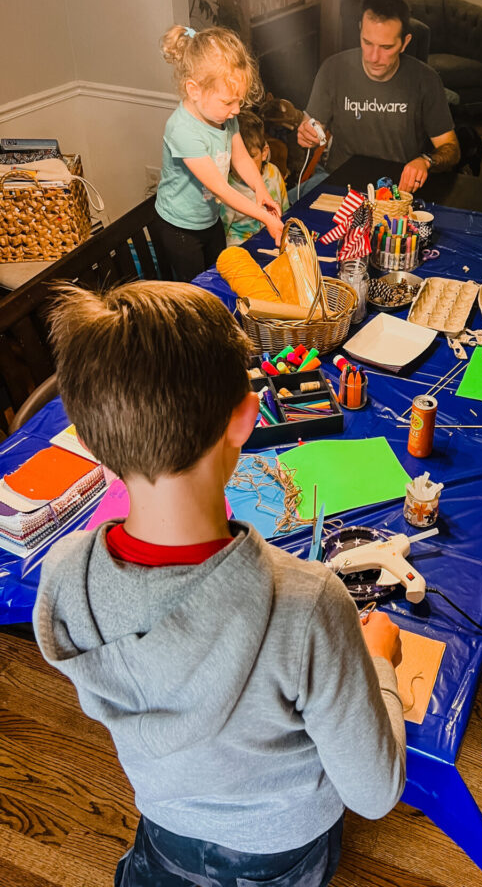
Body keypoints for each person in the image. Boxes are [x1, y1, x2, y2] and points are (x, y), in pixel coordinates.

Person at [33, 281, 406, 887]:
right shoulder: (308, 603)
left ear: (88, 437)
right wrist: (381, 665)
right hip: (282, 851)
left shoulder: (65, 575)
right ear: (246, 418)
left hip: (164, 829)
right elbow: (374, 793)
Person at [154, 25, 285, 281]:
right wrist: (264, 218)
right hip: (180, 229)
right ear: (194, 90)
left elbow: (240, 158)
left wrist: (261, 189)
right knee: (196, 291)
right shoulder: (181, 129)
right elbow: (221, 190)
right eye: (228, 102)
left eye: (239, 101)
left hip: (210, 219)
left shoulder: (225, 117)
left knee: (218, 276)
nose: (236, 110)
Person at [297, 0, 460, 193]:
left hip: (397, 188)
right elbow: (312, 125)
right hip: (338, 181)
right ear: (360, 31)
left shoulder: (425, 80)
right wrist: (307, 133)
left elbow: (451, 149)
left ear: (405, 43)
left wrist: (426, 161)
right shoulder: (333, 69)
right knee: (290, 211)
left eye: (386, 47)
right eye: (367, 42)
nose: (373, 57)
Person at [220, 111, 290, 246]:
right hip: (239, 246)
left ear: (264, 153)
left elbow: (285, 210)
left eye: (252, 157)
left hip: (272, 239)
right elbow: (221, 234)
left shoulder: (273, 173)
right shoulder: (228, 186)